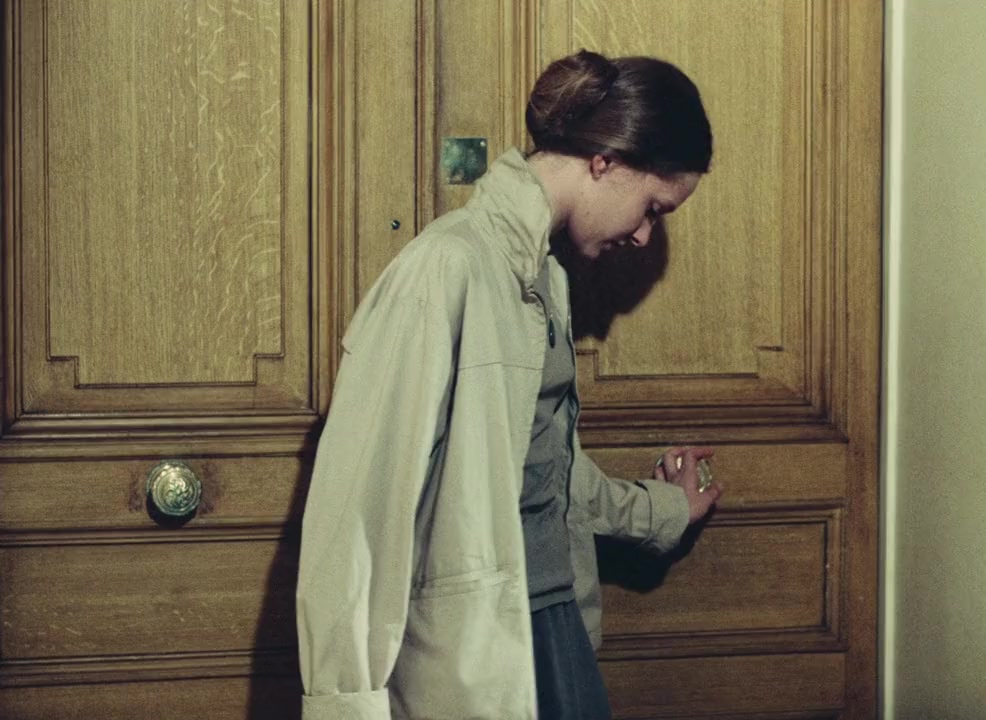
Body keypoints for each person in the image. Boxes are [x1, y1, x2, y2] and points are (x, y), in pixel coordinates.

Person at [296, 49, 722, 720]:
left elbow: (543, 472)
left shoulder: (543, 277)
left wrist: (664, 512)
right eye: (652, 208)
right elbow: (360, 511)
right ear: (605, 161)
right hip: (476, 649)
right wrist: (343, 702)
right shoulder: (447, 266)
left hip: (552, 621)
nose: (645, 236)